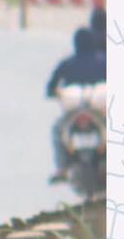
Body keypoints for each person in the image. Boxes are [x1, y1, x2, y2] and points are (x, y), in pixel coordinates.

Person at [45, 28, 107, 183]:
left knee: (57, 131)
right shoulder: (104, 61)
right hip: (99, 111)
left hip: (74, 112)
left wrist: (54, 93)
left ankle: (62, 168)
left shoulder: (67, 63)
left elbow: (51, 87)